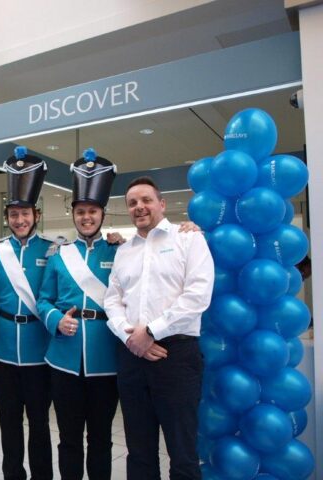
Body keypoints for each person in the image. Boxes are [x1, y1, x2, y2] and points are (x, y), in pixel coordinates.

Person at [104, 176, 214, 480]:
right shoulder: (124, 251)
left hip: (176, 356)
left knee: (182, 452)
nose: (140, 207)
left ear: (161, 204)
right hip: (131, 356)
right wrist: (130, 335)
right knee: (139, 451)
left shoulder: (188, 239)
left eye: (146, 200)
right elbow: (112, 300)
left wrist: (150, 331)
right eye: (132, 203)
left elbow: (198, 295)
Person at [37, 148, 120, 480]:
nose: (86, 217)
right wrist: (57, 320)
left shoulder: (120, 251)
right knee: (69, 439)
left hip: (106, 360)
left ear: (102, 213)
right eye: (81, 212)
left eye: (92, 211)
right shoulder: (59, 255)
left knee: (101, 439)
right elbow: (44, 300)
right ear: (73, 214)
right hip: (64, 359)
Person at [0, 146, 53, 480]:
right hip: (3, 354)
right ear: (7, 217)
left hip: (40, 355)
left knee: (39, 424)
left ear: (35, 215)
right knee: (9, 425)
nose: (20, 220)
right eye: (14, 214)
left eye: (25, 213)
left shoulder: (54, 251)